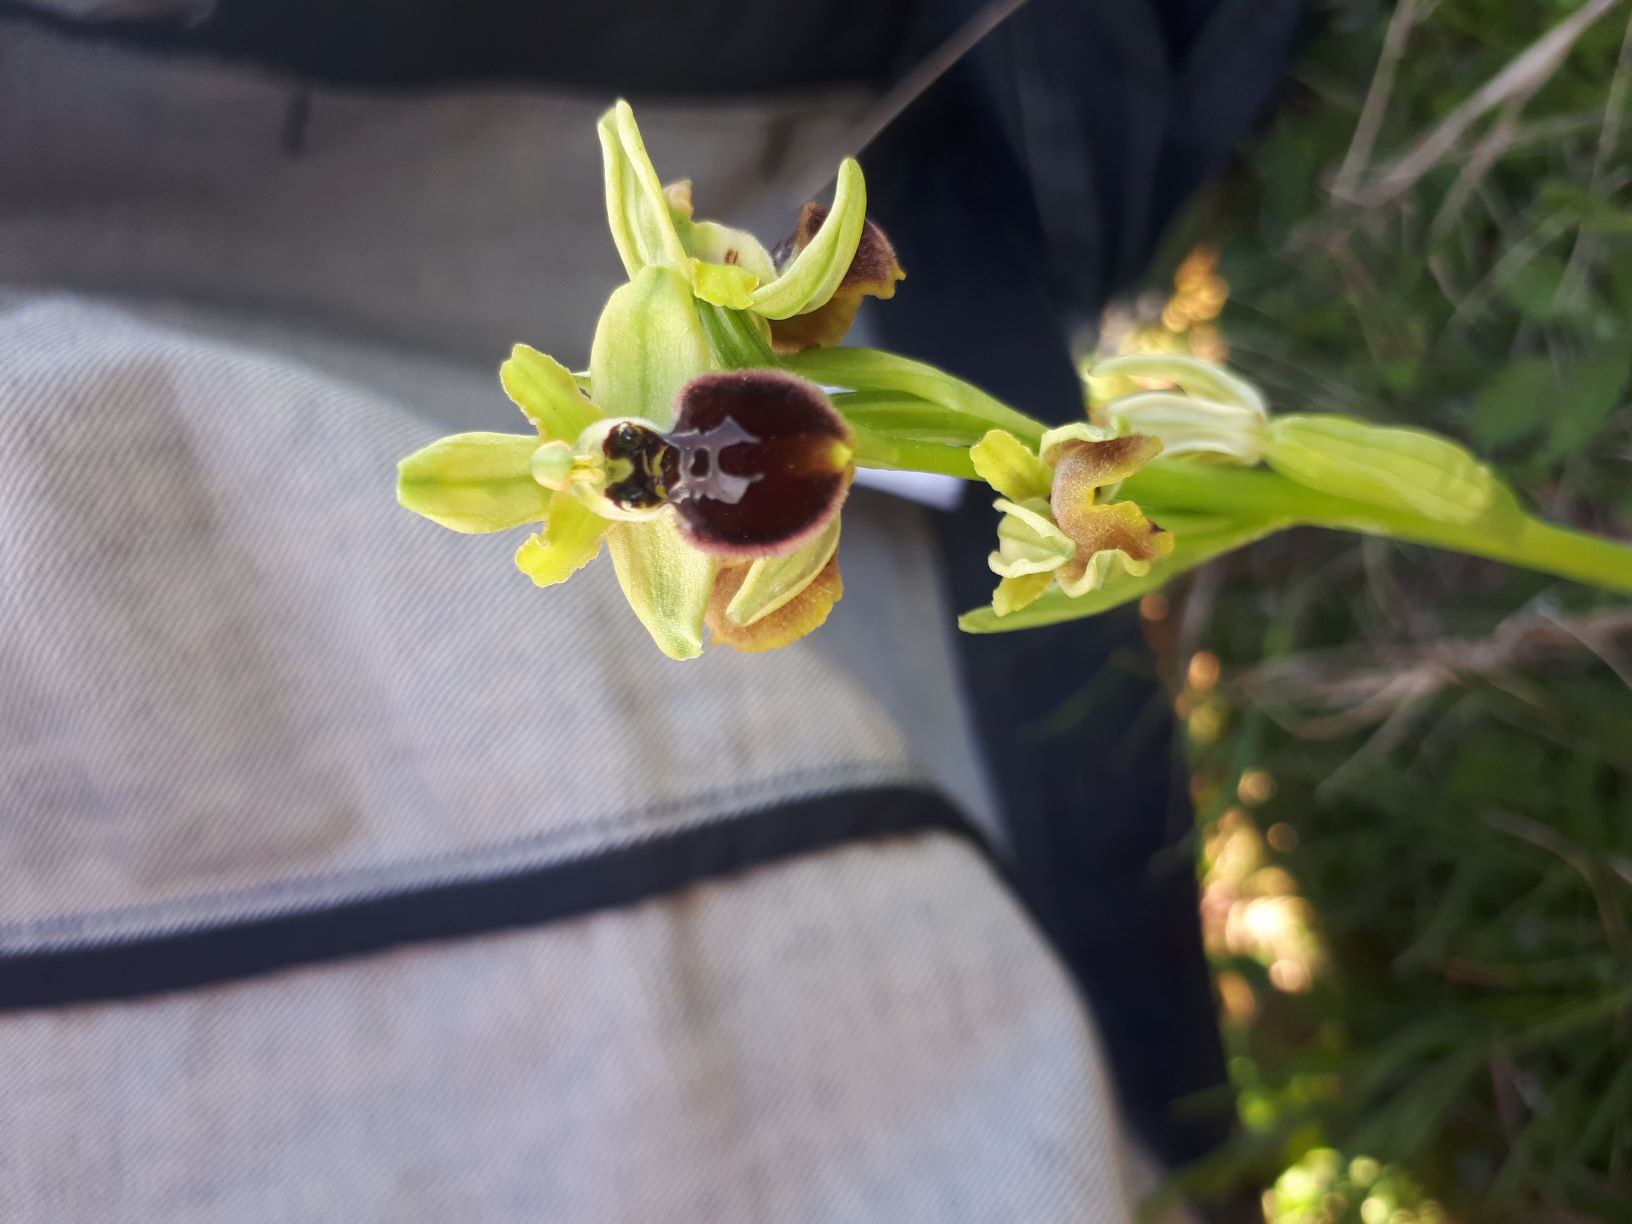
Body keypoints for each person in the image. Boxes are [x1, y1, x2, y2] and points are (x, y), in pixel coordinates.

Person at [0, 2, 1297, 1219]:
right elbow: (683, 602)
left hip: (780, 354)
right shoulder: (659, 565)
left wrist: (728, 346)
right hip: (806, 478)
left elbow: (664, 210)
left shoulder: (646, 348)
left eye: (608, 464)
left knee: (898, 395)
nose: (615, 471)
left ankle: (1104, 447)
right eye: (612, 475)